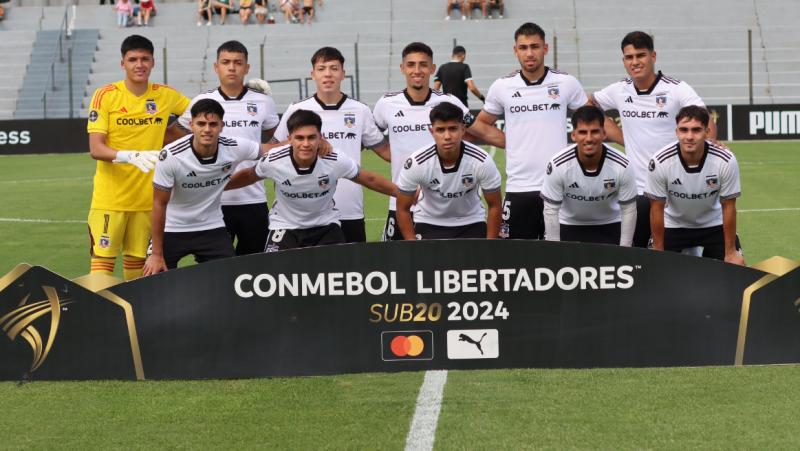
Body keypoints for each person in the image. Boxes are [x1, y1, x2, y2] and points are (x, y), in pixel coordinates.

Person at [591, 31, 716, 248]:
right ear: (623, 61)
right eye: (629, 57)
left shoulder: (676, 89)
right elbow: (590, 105)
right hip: (639, 191)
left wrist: (708, 152)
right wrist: (620, 137)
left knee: (682, 256)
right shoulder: (619, 90)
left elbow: (706, 122)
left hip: (676, 190)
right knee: (638, 256)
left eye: (641, 55)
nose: (635, 62)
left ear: (653, 56)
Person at [373, 41, 505, 241]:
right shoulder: (386, 104)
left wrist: (520, 146)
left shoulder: (450, 102)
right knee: (400, 267)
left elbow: (483, 132)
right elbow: (372, 140)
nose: (417, 70)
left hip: (445, 205)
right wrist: (401, 160)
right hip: (401, 200)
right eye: (411, 65)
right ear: (402, 68)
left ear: (432, 69)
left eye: (423, 65)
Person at [86, 35, 190, 280]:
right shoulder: (106, 95)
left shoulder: (166, 95)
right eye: (133, 59)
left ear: (153, 62)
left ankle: (134, 319)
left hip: (148, 201)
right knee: (102, 271)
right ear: (123, 63)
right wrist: (128, 155)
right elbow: (96, 149)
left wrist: (172, 133)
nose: (139, 64)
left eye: (145, 59)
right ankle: (104, 319)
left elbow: (201, 115)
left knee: (137, 271)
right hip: (110, 200)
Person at [477, 22, 588, 240]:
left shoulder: (566, 82)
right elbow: (480, 126)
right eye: (524, 47)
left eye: (535, 47)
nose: (529, 53)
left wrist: (626, 140)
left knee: (563, 256)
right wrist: (512, 141)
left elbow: (593, 122)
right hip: (519, 188)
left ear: (545, 49)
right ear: (515, 50)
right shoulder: (502, 86)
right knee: (517, 258)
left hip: (560, 185)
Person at [226, 110, 397, 252]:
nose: (306, 144)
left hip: (325, 226)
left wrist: (404, 193)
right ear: (290, 138)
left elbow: (370, 179)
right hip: (285, 227)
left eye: (311, 137)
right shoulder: (274, 160)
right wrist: (219, 187)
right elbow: (248, 175)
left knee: (334, 276)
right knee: (278, 276)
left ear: (320, 138)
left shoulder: (334, 159)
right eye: (300, 138)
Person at [271, 47, 389, 243]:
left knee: (351, 271)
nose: (328, 74)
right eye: (321, 68)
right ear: (313, 74)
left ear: (343, 74)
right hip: (304, 215)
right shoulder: (297, 109)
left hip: (350, 209)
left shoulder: (360, 110)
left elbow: (384, 150)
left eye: (334, 68)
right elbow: (272, 149)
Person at [178, 41, 280, 256]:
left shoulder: (263, 102)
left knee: (253, 265)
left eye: (237, 63)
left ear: (247, 68)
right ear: (216, 67)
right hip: (212, 200)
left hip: (253, 198)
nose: (231, 67)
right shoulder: (202, 100)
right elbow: (178, 136)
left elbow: (274, 140)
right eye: (225, 62)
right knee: (213, 266)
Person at [144, 100, 264, 275]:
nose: (207, 129)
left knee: (231, 279)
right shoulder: (171, 155)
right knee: (152, 279)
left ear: (222, 126)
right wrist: (156, 254)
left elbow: (269, 150)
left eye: (213, 124)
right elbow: (159, 204)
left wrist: (303, 146)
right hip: (172, 228)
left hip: (211, 227)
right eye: (201, 124)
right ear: (191, 125)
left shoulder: (233, 147)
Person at [645, 106, 744, 264]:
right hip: (674, 225)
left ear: (707, 132)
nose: (689, 136)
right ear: (676, 131)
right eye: (684, 130)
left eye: (696, 130)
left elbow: (729, 207)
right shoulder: (660, 161)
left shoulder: (725, 160)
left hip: (713, 223)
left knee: (736, 265)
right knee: (654, 269)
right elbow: (656, 208)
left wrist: (731, 251)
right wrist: (658, 251)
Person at [396, 102, 502, 240]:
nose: (447, 136)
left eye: (453, 129)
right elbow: (402, 209)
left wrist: (490, 245)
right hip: (428, 221)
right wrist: (413, 247)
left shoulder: (481, 161)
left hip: (471, 221)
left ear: (463, 129)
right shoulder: (417, 163)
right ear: (431, 132)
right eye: (440, 130)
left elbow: (495, 205)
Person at [541, 106, 637, 246]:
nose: (589, 138)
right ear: (574, 135)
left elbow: (629, 209)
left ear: (604, 133)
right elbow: (550, 210)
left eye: (594, 132)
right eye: (582, 132)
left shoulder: (622, 164)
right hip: (569, 224)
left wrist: (625, 248)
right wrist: (555, 250)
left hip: (610, 223)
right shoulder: (558, 165)